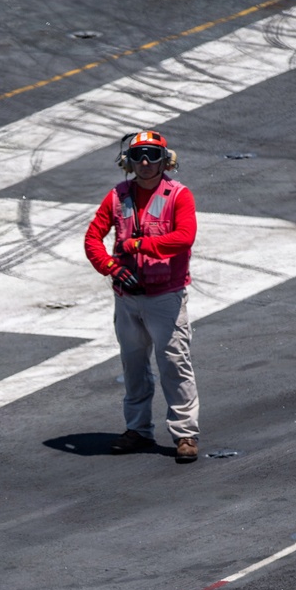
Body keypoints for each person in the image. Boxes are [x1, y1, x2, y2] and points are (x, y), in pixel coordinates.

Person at [84, 129, 201, 463]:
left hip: (165, 297)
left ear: (166, 160)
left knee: (174, 364)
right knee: (133, 366)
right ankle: (137, 429)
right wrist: (109, 266)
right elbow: (92, 237)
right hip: (127, 298)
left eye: (152, 155)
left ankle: (185, 434)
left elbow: (184, 237)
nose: (146, 162)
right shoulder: (117, 196)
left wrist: (141, 244)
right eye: (139, 156)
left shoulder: (179, 195)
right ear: (128, 162)